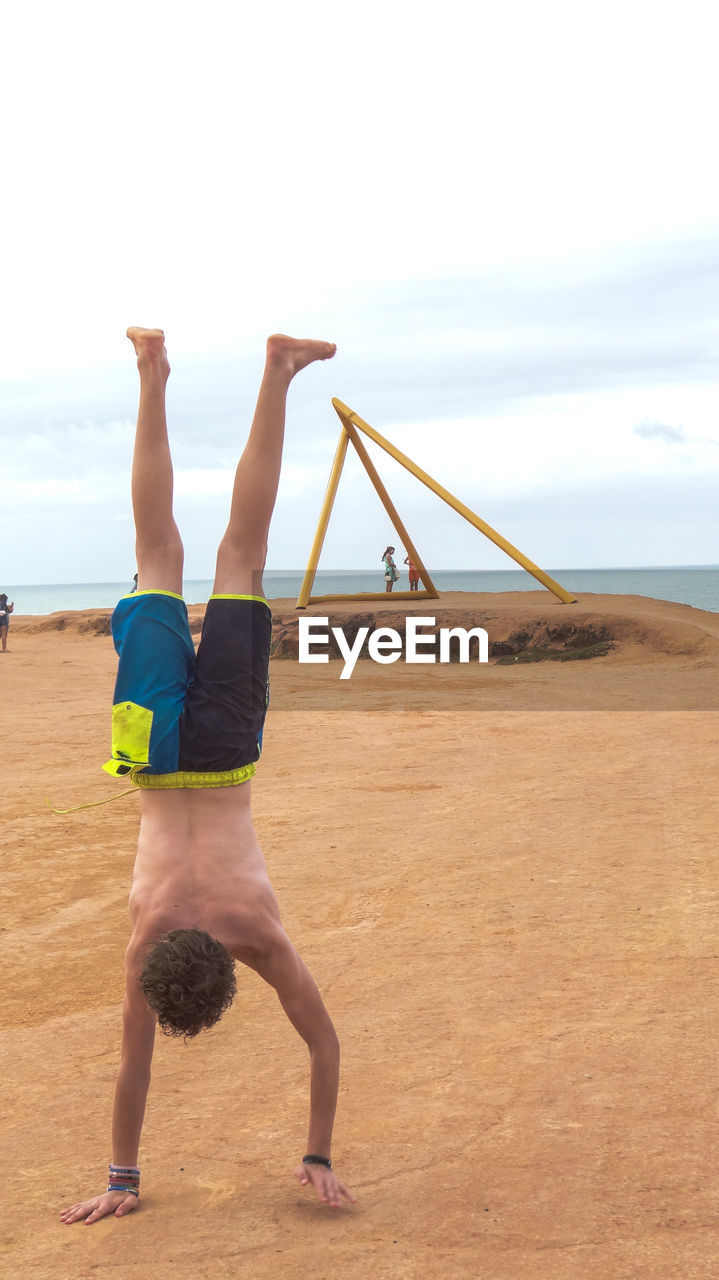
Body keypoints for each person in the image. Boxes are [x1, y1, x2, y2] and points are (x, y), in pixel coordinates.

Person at [61, 327, 355, 1226]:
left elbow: (325, 1047)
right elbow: (132, 1068)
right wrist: (119, 1175)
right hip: (151, 759)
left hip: (225, 754)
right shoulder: (147, 944)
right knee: (158, 554)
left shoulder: (255, 933)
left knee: (239, 557)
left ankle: (277, 369)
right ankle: (152, 371)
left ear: (225, 972)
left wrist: (318, 1153)